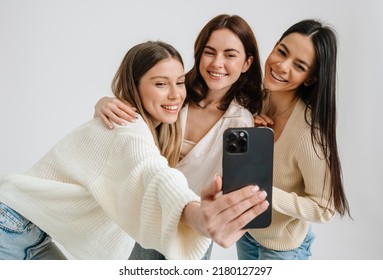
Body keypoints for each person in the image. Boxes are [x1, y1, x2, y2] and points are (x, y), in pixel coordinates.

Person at [0, 41, 269, 260]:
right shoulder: (128, 126)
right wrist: (194, 213)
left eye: (179, 82)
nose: (175, 95)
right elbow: (152, 172)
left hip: (24, 228)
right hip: (11, 227)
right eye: (161, 84)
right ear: (135, 86)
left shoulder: (166, 123)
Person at [94, 14, 264, 260]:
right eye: (209, 52)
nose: (217, 63)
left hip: (194, 228)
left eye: (230, 55)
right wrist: (104, 102)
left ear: (247, 63)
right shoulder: (174, 97)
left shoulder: (243, 122)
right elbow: (132, 118)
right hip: (149, 217)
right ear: (198, 53)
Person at [236, 19, 351, 259]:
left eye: (299, 66)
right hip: (247, 234)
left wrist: (265, 192)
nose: (281, 66)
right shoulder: (257, 100)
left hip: (284, 248)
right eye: (282, 51)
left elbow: (324, 208)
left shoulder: (308, 133)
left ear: (310, 78)